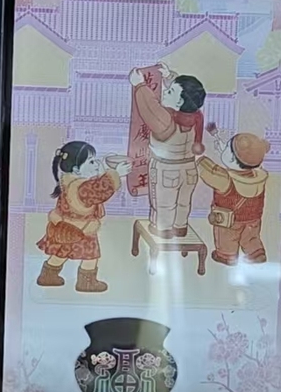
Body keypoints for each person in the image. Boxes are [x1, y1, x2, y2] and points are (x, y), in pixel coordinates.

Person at [36, 141, 130, 293]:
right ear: (76, 169)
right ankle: (86, 283)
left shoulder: (70, 180)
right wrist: (115, 174)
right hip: (82, 230)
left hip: (65, 227)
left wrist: (104, 170)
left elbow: (94, 184)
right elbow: (99, 191)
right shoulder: (81, 187)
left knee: (61, 252)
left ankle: (47, 276)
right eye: (91, 162)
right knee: (90, 256)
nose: (96, 164)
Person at [129, 63, 206, 238]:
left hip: (167, 169)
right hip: (189, 168)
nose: (165, 92)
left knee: (164, 202)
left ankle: (162, 229)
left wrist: (139, 86)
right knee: (183, 202)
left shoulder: (167, 118)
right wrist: (169, 76)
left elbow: (150, 107)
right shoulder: (195, 115)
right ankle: (180, 227)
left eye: (170, 91)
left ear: (179, 102)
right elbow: (186, 93)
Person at [198, 127, 270, 265]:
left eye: (226, 147)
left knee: (227, 238)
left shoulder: (226, 179)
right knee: (251, 237)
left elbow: (209, 172)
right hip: (253, 219)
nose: (223, 148)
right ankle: (255, 253)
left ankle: (226, 256)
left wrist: (199, 161)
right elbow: (235, 160)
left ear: (231, 158)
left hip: (230, 221)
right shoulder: (258, 177)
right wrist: (222, 148)